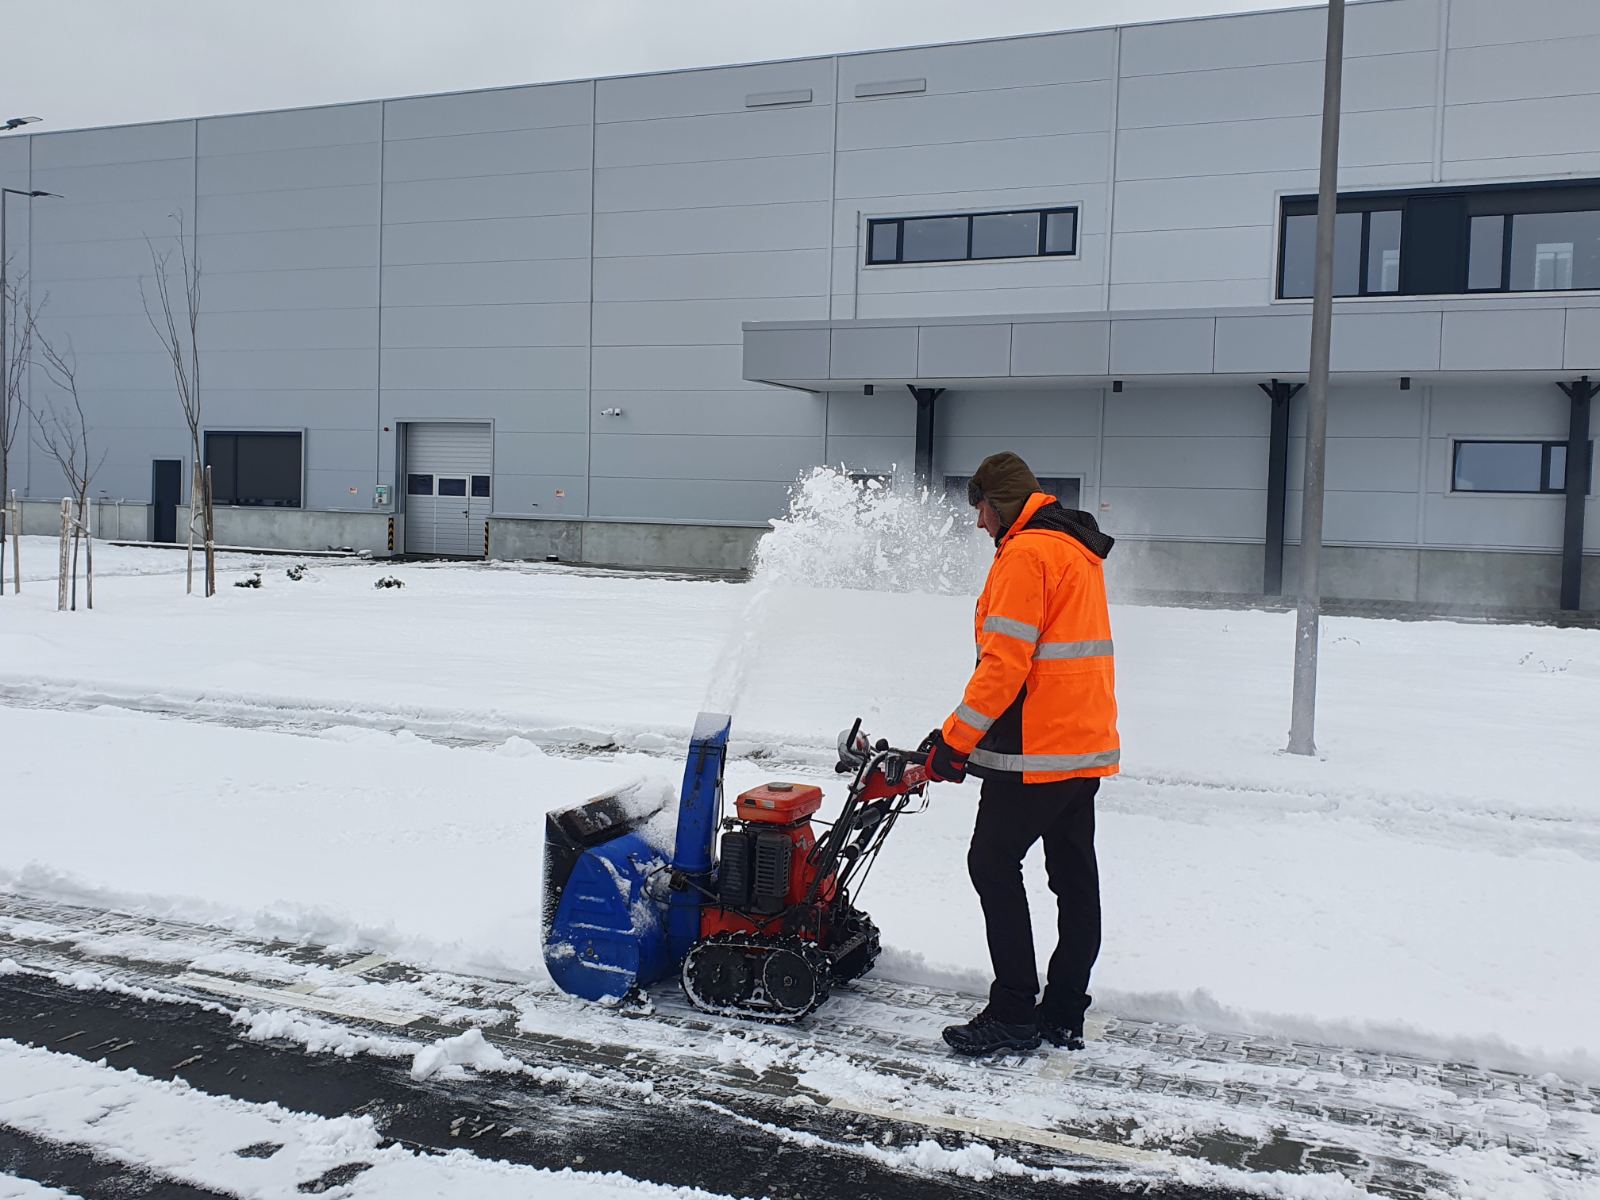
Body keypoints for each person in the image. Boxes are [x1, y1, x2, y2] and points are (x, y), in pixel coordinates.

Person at [923, 452, 1119, 1057]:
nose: (979, 523)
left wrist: (954, 742)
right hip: (1080, 745)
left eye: (981, 508)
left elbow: (1004, 664)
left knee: (991, 862)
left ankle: (1012, 1010)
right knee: (1073, 879)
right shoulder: (1071, 548)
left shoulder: (1027, 554)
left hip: (1036, 750)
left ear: (1000, 503)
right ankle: (1062, 1012)